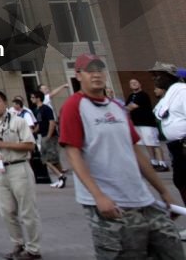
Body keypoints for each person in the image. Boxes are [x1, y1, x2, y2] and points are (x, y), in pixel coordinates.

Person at [60, 54, 184, 259]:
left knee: (171, 248)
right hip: (110, 204)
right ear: (78, 75)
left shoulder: (117, 107)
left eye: (100, 69)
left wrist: (163, 191)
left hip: (141, 197)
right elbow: (73, 154)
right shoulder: (74, 106)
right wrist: (98, 196)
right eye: (90, 70)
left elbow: (135, 151)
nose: (96, 74)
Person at [0, 90, 41, 260]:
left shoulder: (19, 122)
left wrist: (4, 143)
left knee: (27, 211)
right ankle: (18, 243)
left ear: (4, 102)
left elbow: (30, 145)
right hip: (0, 170)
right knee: (6, 211)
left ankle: (33, 249)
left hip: (19, 167)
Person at [151, 61, 186, 205]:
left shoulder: (182, 91)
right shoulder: (168, 97)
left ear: (168, 76)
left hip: (184, 144)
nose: (155, 79)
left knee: (183, 180)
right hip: (175, 147)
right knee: (180, 181)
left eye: (158, 76)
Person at [125, 79, 167, 171]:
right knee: (147, 144)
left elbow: (131, 106)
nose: (134, 84)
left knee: (154, 143)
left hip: (147, 124)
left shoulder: (143, 95)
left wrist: (120, 109)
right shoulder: (131, 96)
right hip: (137, 124)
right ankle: (154, 162)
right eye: (131, 83)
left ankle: (162, 164)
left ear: (140, 84)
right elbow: (126, 107)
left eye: (135, 82)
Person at [29, 91, 65, 188]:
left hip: (50, 136)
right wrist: (32, 133)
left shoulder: (46, 109)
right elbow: (39, 125)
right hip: (43, 135)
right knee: (53, 159)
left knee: (46, 159)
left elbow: (52, 122)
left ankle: (60, 176)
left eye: (33, 97)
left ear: (38, 98)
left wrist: (49, 136)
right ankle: (60, 177)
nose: (31, 99)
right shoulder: (36, 110)